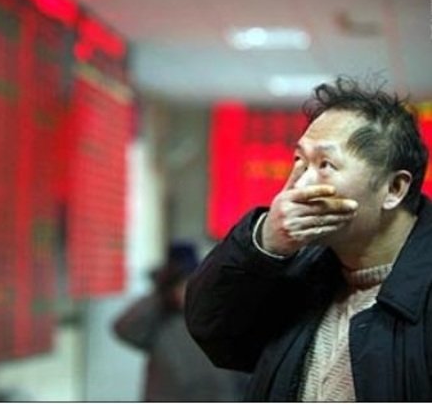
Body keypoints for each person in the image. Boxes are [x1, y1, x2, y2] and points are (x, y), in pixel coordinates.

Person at [184, 77, 431, 401]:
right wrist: (265, 243)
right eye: (299, 161)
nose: (300, 185)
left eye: (325, 165)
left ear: (394, 189)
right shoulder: (303, 271)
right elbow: (216, 334)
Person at [114, 243, 250, 401]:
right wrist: (160, 295)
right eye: (180, 284)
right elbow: (124, 329)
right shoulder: (159, 317)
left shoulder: (215, 313)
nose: (185, 290)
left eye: (190, 282)